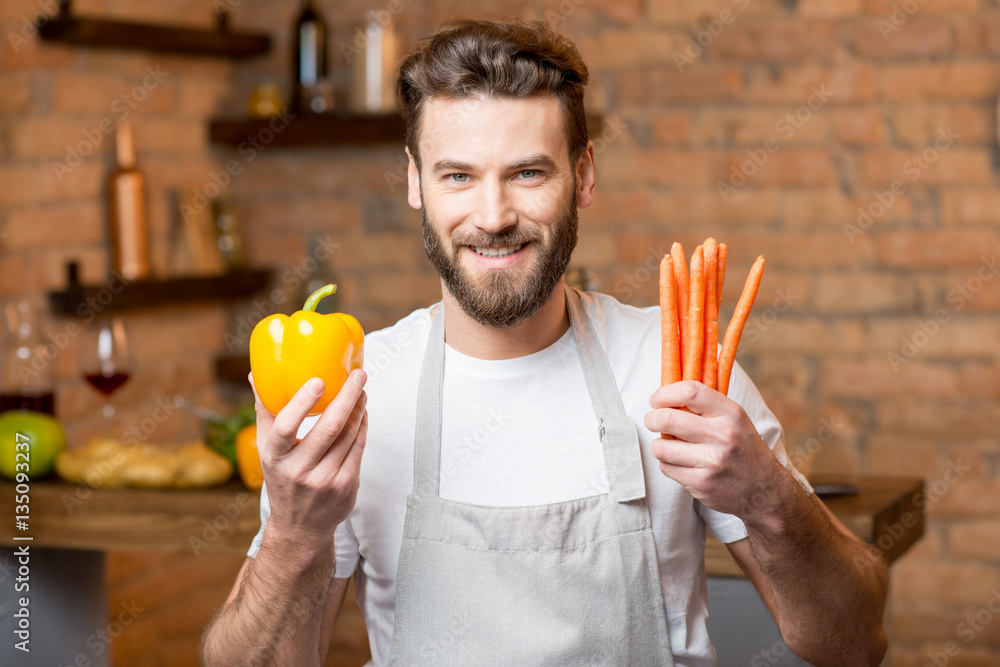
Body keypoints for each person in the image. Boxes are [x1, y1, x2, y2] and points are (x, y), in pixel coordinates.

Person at [201, 18, 888, 667]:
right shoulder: (357, 388)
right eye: (458, 175)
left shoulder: (677, 368)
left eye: (528, 173)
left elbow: (855, 642)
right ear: (414, 180)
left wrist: (768, 495)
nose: (493, 216)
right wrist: (294, 533)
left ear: (582, 175)